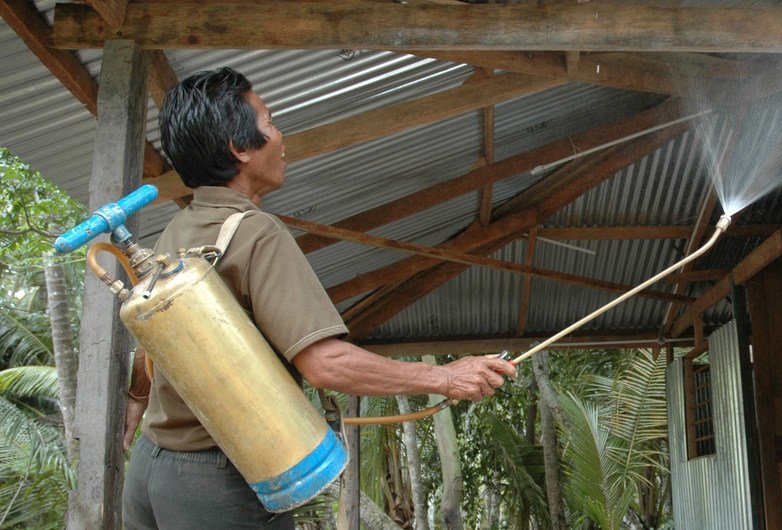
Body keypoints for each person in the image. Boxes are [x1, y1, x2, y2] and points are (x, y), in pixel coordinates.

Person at [121, 67, 516, 529]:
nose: (280, 137)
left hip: (151, 471)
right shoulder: (256, 234)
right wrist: (445, 376)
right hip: (217, 484)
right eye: (270, 123)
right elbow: (325, 364)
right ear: (240, 148)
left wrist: (136, 396)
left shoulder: (178, 228)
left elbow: (154, 332)